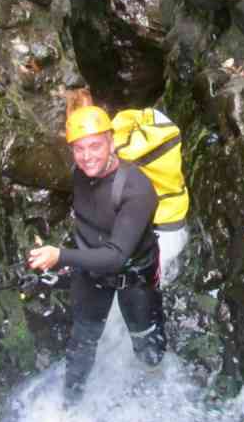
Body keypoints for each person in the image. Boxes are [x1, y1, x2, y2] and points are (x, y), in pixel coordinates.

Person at [27, 105, 165, 399]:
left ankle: (155, 392)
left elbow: (116, 255)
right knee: (82, 341)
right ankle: (71, 402)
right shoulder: (80, 173)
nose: (87, 156)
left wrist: (60, 256)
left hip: (134, 276)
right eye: (79, 149)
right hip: (91, 270)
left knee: (146, 342)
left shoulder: (137, 189)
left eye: (94, 146)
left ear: (111, 143)